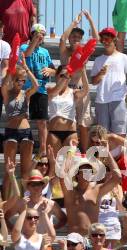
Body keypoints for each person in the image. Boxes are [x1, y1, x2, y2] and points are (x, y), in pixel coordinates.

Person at [59, 10, 98, 152]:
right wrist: (75, 22)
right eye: (73, 36)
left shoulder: (84, 52)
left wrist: (90, 19)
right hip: (66, 92)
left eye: (79, 37)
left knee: (83, 124)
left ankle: (84, 153)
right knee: (69, 123)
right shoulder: (65, 52)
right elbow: (62, 39)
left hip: (81, 91)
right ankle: (70, 153)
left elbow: (96, 39)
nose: (76, 38)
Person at [60, 147, 122, 235]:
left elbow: (117, 177)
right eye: (85, 170)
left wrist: (107, 153)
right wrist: (71, 152)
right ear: (77, 174)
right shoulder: (70, 193)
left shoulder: (97, 190)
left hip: (93, 240)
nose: (88, 173)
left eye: (90, 171)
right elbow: (62, 175)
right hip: (74, 242)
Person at [1, 55, 38, 198]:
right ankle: (4, 204)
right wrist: (10, 71)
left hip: (25, 131)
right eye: (18, 80)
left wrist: (26, 69)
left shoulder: (26, 93)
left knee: (25, 171)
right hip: (11, 131)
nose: (21, 83)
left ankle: (25, 202)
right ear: (13, 79)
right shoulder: (7, 93)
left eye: (23, 81)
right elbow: (4, 85)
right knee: (8, 170)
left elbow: (36, 86)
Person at [91, 27, 127, 136]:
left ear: (114, 40)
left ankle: (120, 154)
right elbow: (93, 81)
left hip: (118, 99)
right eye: (103, 39)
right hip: (101, 101)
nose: (105, 42)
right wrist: (100, 74)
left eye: (108, 39)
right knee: (102, 136)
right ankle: (105, 154)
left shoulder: (123, 57)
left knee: (120, 133)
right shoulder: (98, 60)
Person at [21, 23, 56, 155]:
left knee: (42, 121)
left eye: (43, 34)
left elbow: (55, 70)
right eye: (38, 34)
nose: (41, 37)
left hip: (41, 89)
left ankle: (42, 150)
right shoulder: (25, 46)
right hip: (27, 89)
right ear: (32, 34)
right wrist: (34, 40)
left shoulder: (45, 52)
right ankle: (26, 146)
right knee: (25, 119)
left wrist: (50, 70)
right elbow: (27, 54)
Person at [47, 67, 89, 158]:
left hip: (70, 133)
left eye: (68, 75)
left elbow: (85, 90)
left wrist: (83, 71)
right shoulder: (50, 90)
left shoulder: (73, 92)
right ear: (56, 76)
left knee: (69, 165)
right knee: (54, 164)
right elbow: (55, 91)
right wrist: (65, 77)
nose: (65, 77)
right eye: (62, 75)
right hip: (54, 133)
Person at [0, 21, 11, 114]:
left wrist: (2, 84)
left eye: (2, 32)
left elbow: (5, 66)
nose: (1, 34)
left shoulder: (5, 45)